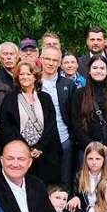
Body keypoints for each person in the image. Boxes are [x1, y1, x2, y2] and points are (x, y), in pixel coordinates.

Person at [0, 62, 62, 184]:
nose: (25, 77)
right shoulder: (10, 99)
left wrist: (39, 148)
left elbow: (51, 126)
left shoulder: (45, 98)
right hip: (20, 155)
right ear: (17, 77)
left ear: (35, 76)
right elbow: (8, 128)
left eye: (28, 73)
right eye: (21, 74)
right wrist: (27, 149)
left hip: (43, 153)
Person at [71, 54, 107, 175]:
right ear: (89, 71)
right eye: (95, 68)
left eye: (102, 68)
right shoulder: (80, 94)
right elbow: (76, 123)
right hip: (86, 149)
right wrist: (90, 147)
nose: (98, 71)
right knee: (87, 187)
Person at [39, 44, 77, 189]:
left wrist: (72, 138)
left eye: (55, 60)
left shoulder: (68, 84)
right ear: (40, 59)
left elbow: (74, 115)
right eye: (47, 59)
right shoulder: (34, 83)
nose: (51, 63)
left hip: (64, 139)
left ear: (60, 62)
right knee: (43, 182)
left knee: (65, 180)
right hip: (41, 142)